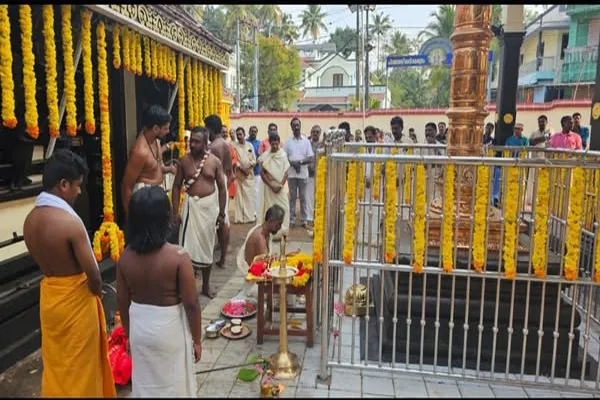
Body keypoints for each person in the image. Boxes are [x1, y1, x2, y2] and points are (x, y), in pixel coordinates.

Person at [23, 149, 116, 397]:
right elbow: (94, 276)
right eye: (77, 186)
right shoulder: (69, 224)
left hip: (51, 302)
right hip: (76, 305)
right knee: (82, 370)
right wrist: (98, 292)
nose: (79, 192)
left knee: (58, 367)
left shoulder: (30, 220)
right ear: (63, 184)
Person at [117, 186, 201, 397]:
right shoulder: (179, 257)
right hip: (169, 332)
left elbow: (122, 303)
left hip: (140, 330)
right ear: (165, 219)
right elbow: (192, 304)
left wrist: (129, 335)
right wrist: (197, 340)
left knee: (146, 385)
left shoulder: (125, 258)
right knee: (173, 384)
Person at [172, 127, 227, 299]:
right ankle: (185, 288)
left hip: (209, 209)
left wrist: (222, 213)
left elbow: (222, 188)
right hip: (190, 208)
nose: (192, 144)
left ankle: (205, 286)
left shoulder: (214, 162)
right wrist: (175, 211)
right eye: (191, 141)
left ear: (205, 143)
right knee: (186, 249)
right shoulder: (184, 161)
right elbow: (176, 186)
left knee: (207, 247)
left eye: (196, 142)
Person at [121, 105, 176, 215]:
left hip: (157, 196)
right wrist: (130, 217)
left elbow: (155, 168)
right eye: (165, 128)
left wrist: (170, 169)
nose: (168, 131)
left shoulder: (156, 141)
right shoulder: (140, 152)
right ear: (155, 129)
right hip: (145, 201)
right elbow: (126, 186)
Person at [235, 204, 285, 299]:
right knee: (285, 288)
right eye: (279, 224)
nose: (280, 227)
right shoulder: (260, 238)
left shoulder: (264, 230)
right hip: (255, 285)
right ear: (271, 221)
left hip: (257, 279)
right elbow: (265, 269)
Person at [205, 114, 232, 269]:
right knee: (224, 219)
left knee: (215, 219)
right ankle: (223, 256)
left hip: (214, 183)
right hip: (223, 181)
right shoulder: (225, 144)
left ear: (210, 129)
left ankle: (211, 255)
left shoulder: (212, 147)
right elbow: (230, 170)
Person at [258, 133, 290, 240]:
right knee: (270, 209)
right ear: (270, 143)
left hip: (280, 188)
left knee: (285, 208)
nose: (275, 146)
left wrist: (280, 185)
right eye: (273, 144)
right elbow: (262, 173)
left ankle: (283, 232)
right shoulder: (265, 156)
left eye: (277, 144)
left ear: (279, 143)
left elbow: (286, 172)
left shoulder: (283, 155)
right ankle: (271, 233)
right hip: (269, 187)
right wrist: (271, 185)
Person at [284, 117, 314, 228]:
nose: (296, 127)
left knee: (303, 197)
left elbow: (310, 157)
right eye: (294, 125)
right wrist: (293, 164)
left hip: (303, 174)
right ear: (291, 127)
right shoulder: (287, 142)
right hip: (292, 174)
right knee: (292, 197)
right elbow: (284, 157)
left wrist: (300, 163)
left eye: (298, 125)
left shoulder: (306, 141)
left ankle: (304, 220)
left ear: (300, 126)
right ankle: (291, 220)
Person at [232, 127, 257, 224]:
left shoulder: (249, 145)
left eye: (240, 134)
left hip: (250, 174)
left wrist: (249, 168)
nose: (239, 136)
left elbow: (254, 160)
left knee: (250, 197)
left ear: (244, 134)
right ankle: (240, 218)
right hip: (240, 174)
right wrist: (242, 169)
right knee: (240, 198)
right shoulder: (234, 147)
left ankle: (249, 217)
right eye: (237, 134)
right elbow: (234, 160)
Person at [306, 125, 322, 229]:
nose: (315, 133)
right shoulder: (307, 144)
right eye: (313, 132)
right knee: (309, 197)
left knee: (319, 196)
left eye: (317, 132)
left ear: (319, 133)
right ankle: (310, 218)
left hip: (320, 175)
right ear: (311, 132)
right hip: (309, 174)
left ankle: (318, 216)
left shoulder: (323, 145)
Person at [247, 125, 262, 218]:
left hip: (256, 172)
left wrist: (255, 163)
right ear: (249, 132)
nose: (253, 133)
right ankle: (248, 211)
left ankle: (256, 212)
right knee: (248, 193)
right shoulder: (245, 142)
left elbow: (260, 156)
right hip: (247, 172)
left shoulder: (259, 143)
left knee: (256, 192)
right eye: (252, 131)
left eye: (255, 131)